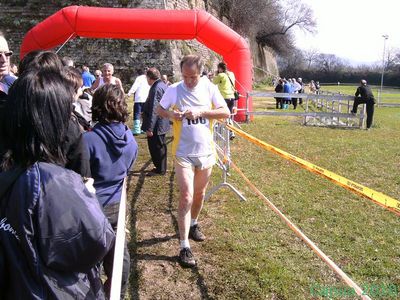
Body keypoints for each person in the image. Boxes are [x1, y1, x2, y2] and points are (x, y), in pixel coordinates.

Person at [0, 69, 115, 299]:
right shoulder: (57, 181)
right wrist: (87, 197)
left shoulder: (9, 170)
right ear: (53, 120)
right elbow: (97, 240)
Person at [156, 54, 230, 268]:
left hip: (206, 152)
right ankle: (184, 245)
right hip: (183, 153)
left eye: (193, 77)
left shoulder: (209, 87)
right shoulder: (174, 89)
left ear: (201, 73)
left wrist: (201, 112)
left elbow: (224, 112)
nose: (189, 81)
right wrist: (172, 116)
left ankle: (194, 223)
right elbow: (159, 110)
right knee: (186, 195)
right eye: (186, 76)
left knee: (199, 194)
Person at [84, 84, 138, 299]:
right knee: (118, 255)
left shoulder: (88, 140)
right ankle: (118, 292)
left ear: (97, 106)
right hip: (118, 204)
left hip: (93, 207)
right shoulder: (131, 139)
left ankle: (94, 292)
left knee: (91, 258)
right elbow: (129, 167)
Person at [141, 67, 170, 176]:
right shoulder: (162, 85)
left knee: (156, 147)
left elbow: (154, 108)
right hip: (162, 121)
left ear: (149, 77)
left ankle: (160, 169)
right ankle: (161, 167)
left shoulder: (156, 88)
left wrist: (150, 128)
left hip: (157, 123)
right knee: (160, 146)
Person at [212, 61, 237, 139]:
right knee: (228, 116)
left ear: (220, 68)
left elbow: (214, 82)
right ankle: (231, 132)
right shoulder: (231, 74)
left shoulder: (221, 75)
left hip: (224, 98)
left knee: (220, 114)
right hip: (232, 97)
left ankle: (219, 131)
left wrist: (216, 75)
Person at [127, 68, 150, 135]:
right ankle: (143, 128)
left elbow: (135, 86)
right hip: (146, 98)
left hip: (139, 99)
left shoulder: (139, 78)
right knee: (144, 114)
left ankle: (137, 129)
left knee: (137, 113)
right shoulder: (148, 78)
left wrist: (129, 93)